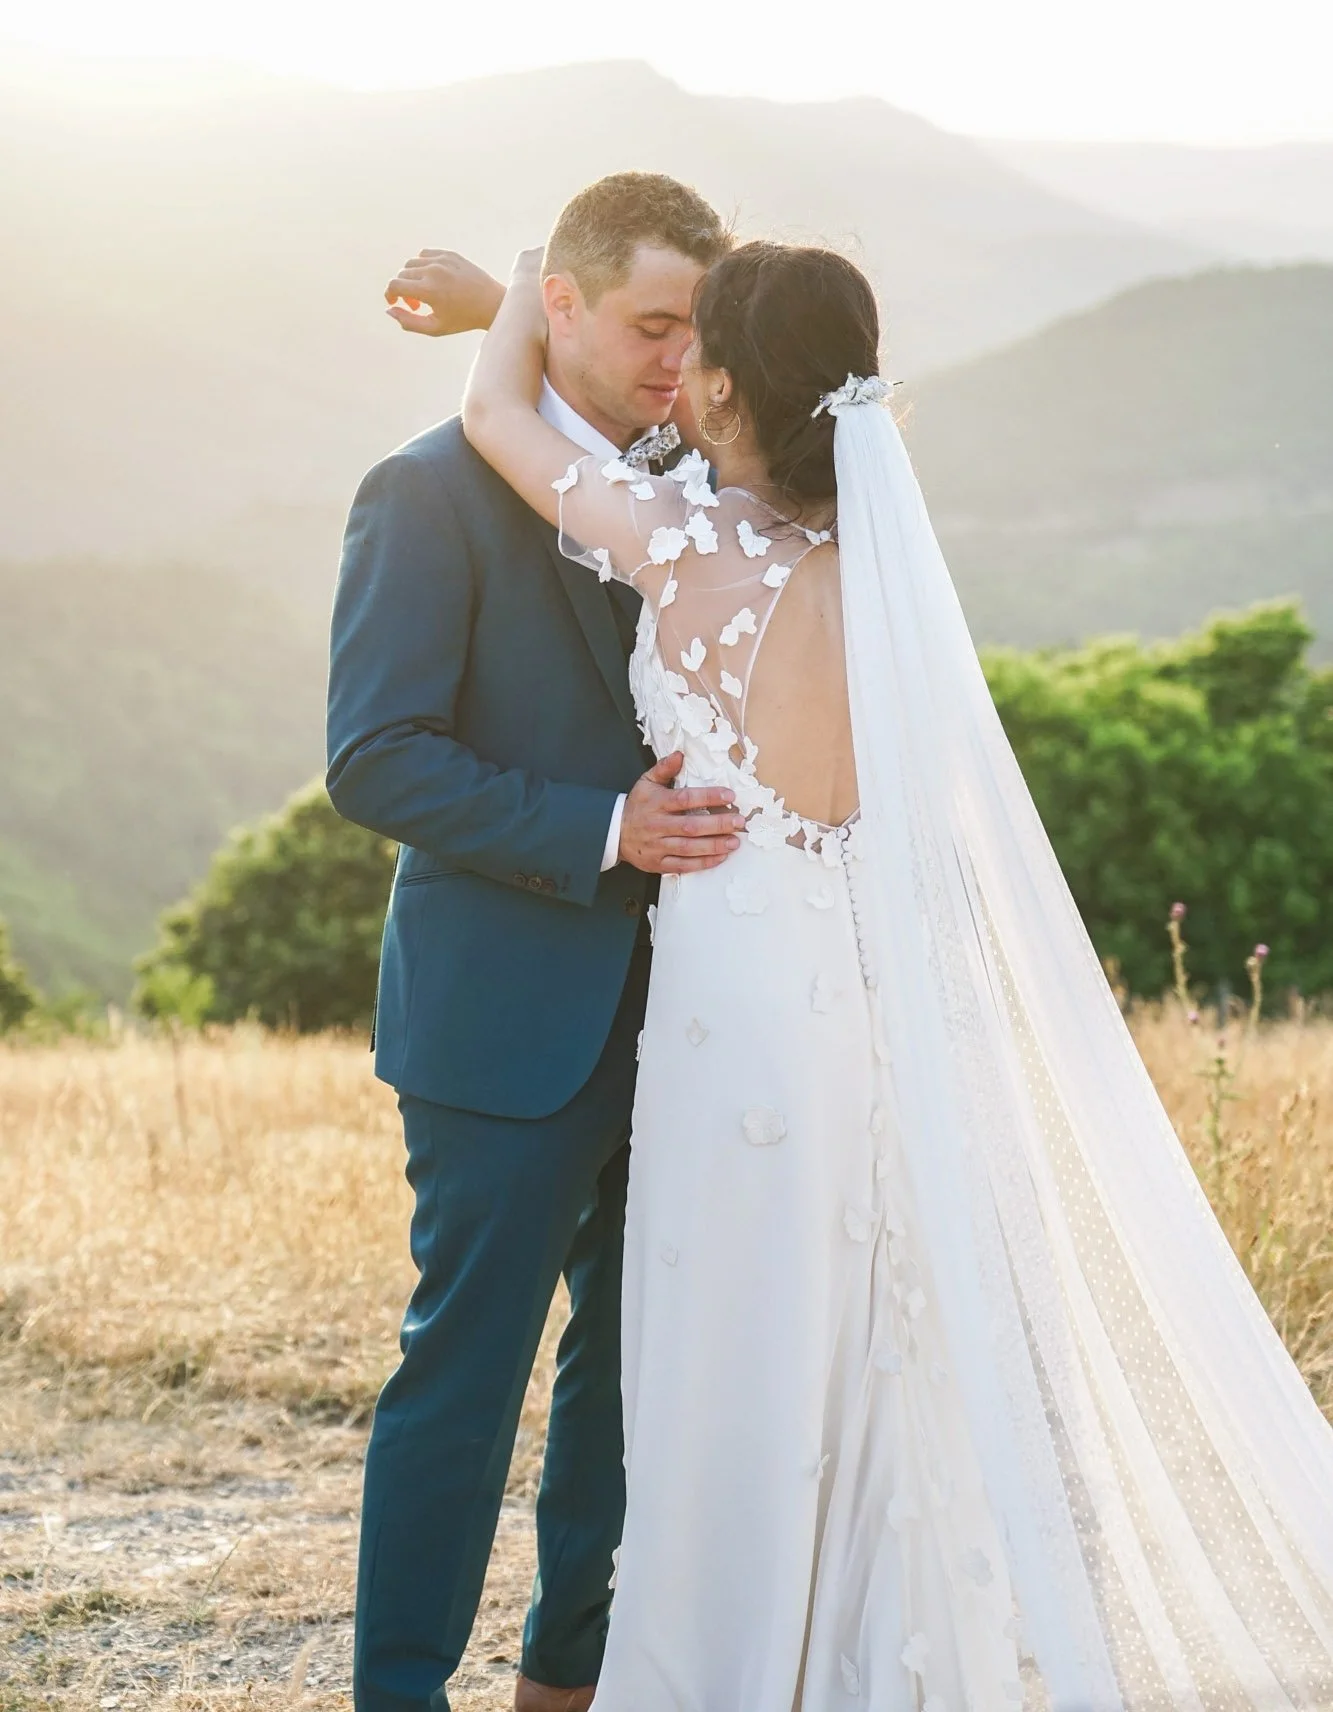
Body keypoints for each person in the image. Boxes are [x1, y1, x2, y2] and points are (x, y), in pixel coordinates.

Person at [434, 234, 1333, 1709]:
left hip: (736, 1031)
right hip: (872, 1016)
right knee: (869, 1348)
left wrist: (528, 288)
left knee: (730, 1363)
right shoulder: (889, 580)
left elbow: (495, 421)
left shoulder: (684, 546)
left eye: (695, 356)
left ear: (719, 388)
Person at [326, 172, 740, 1712]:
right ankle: (398, 1690)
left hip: (699, 1007)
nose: (680, 356)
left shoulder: (701, 474)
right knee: (466, 1378)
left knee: (629, 1379)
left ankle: (570, 1677)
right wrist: (600, 827)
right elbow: (376, 758)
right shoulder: (423, 491)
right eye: (653, 322)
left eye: (700, 327)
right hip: (503, 1015)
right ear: (555, 304)